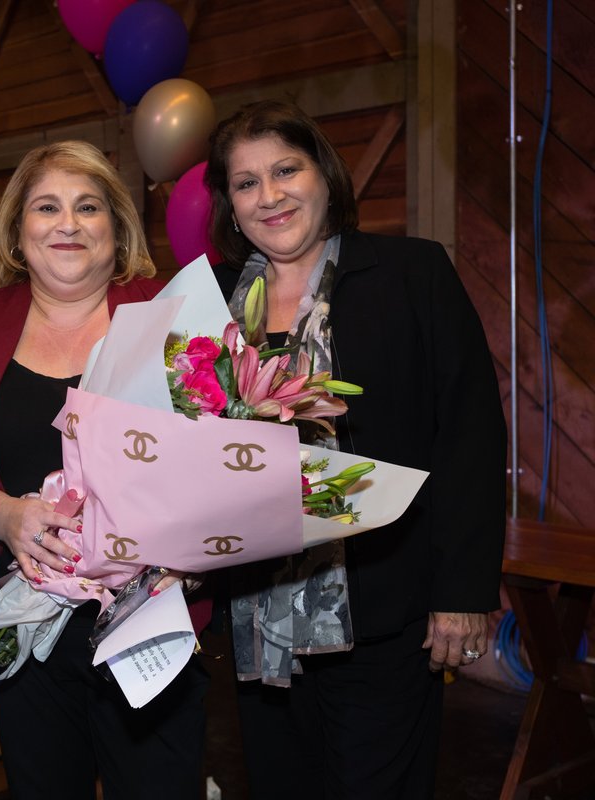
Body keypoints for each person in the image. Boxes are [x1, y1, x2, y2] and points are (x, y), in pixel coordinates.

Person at [202, 100, 507, 798]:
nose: (269, 195)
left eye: (286, 170)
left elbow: (468, 434)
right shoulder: (210, 300)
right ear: (230, 203)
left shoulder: (412, 275)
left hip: (385, 609)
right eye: (246, 182)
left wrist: (461, 593)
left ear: (325, 175)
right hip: (258, 616)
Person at [0, 140, 208, 799]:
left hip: (152, 625)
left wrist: (196, 547)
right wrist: (3, 513)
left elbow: (226, 456)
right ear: (17, 231)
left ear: (116, 225)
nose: (68, 223)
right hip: (27, 634)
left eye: (88, 207)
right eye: (46, 207)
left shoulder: (171, 315)